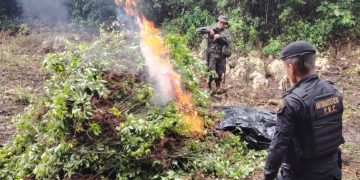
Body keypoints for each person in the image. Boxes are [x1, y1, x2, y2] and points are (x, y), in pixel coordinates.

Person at [264, 41, 344, 180]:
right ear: (312, 64)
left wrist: (268, 176)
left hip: (302, 174)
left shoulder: (292, 102)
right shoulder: (334, 91)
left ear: (291, 68)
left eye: (284, 68)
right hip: (333, 171)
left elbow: (278, 147)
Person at [197, 15, 232, 92]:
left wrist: (220, 37)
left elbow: (228, 41)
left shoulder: (226, 32)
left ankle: (218, 87)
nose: (222, 24)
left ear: (225, 24)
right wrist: (209, 31)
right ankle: (208, 86)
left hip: (221, 55)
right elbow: (198, 30)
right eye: (220, 22)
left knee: (220, 72)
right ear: (218, 21)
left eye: (224, 23)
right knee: (211, 70)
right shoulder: (211, 28)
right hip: (211, 54)